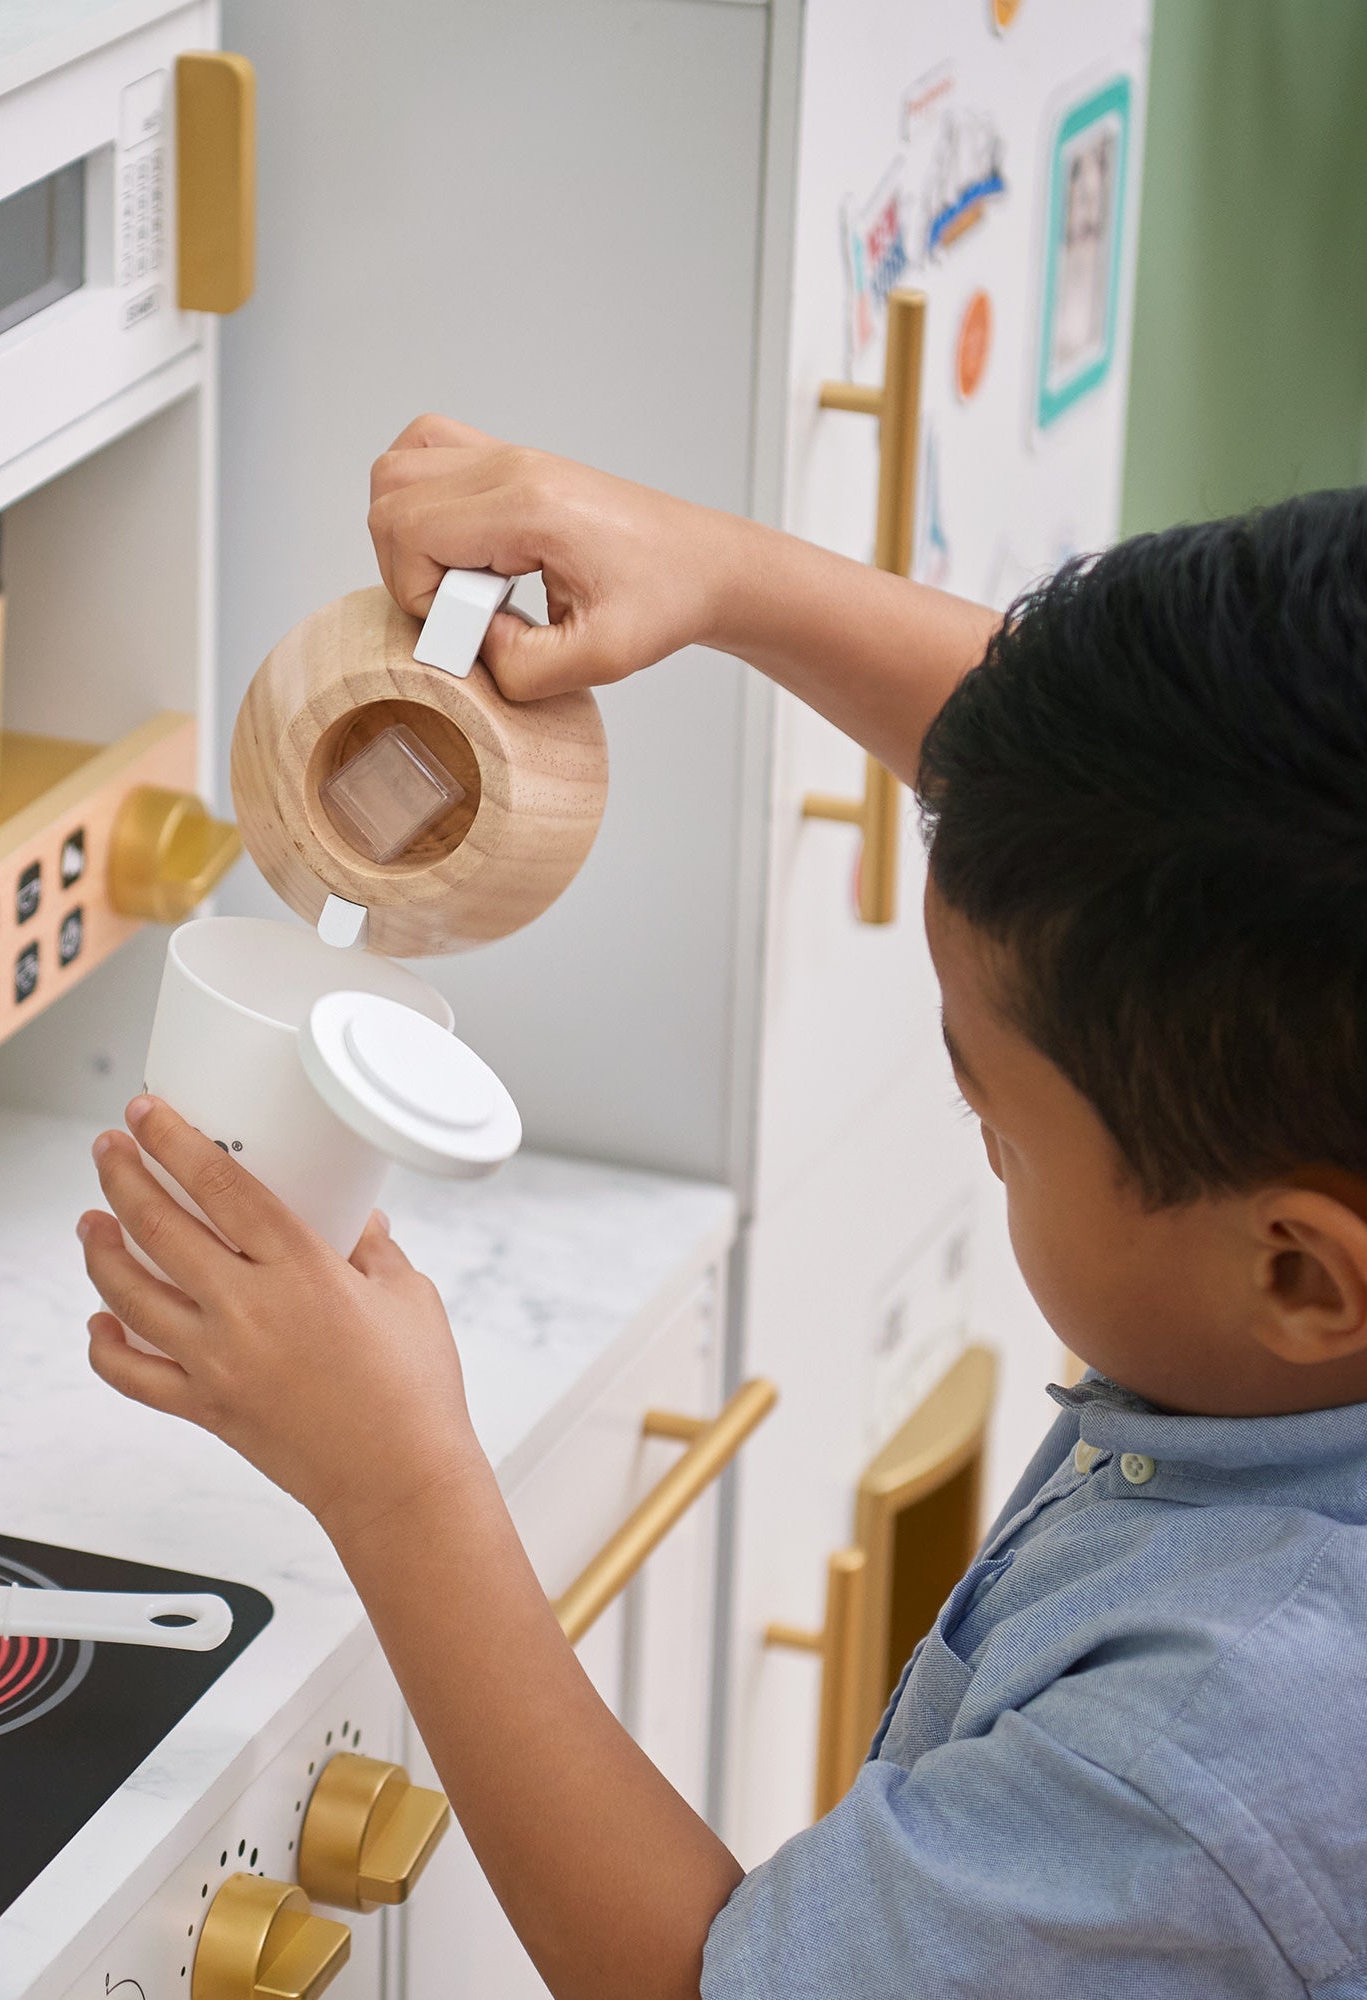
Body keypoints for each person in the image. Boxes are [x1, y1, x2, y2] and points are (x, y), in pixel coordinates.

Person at [75, 415, 1367, 1997]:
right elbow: (1137, 827)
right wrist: (727, 575)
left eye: (1000, 1124)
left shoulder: (1212, 1761)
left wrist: (399, 1484)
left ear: (1303, 1275)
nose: (981, 1143)